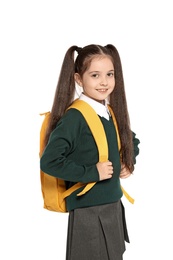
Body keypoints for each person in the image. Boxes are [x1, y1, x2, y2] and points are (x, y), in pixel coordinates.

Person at [40, 44, 140, 260]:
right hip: (89, 211)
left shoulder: (108, 112)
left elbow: (131, 139)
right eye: (95, 75)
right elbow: (49, 161)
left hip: (113, 205)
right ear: (78, 79)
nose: (104, 82)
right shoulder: (75, 117)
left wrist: (127, 160)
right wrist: (92, 172)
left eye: (109, 74)